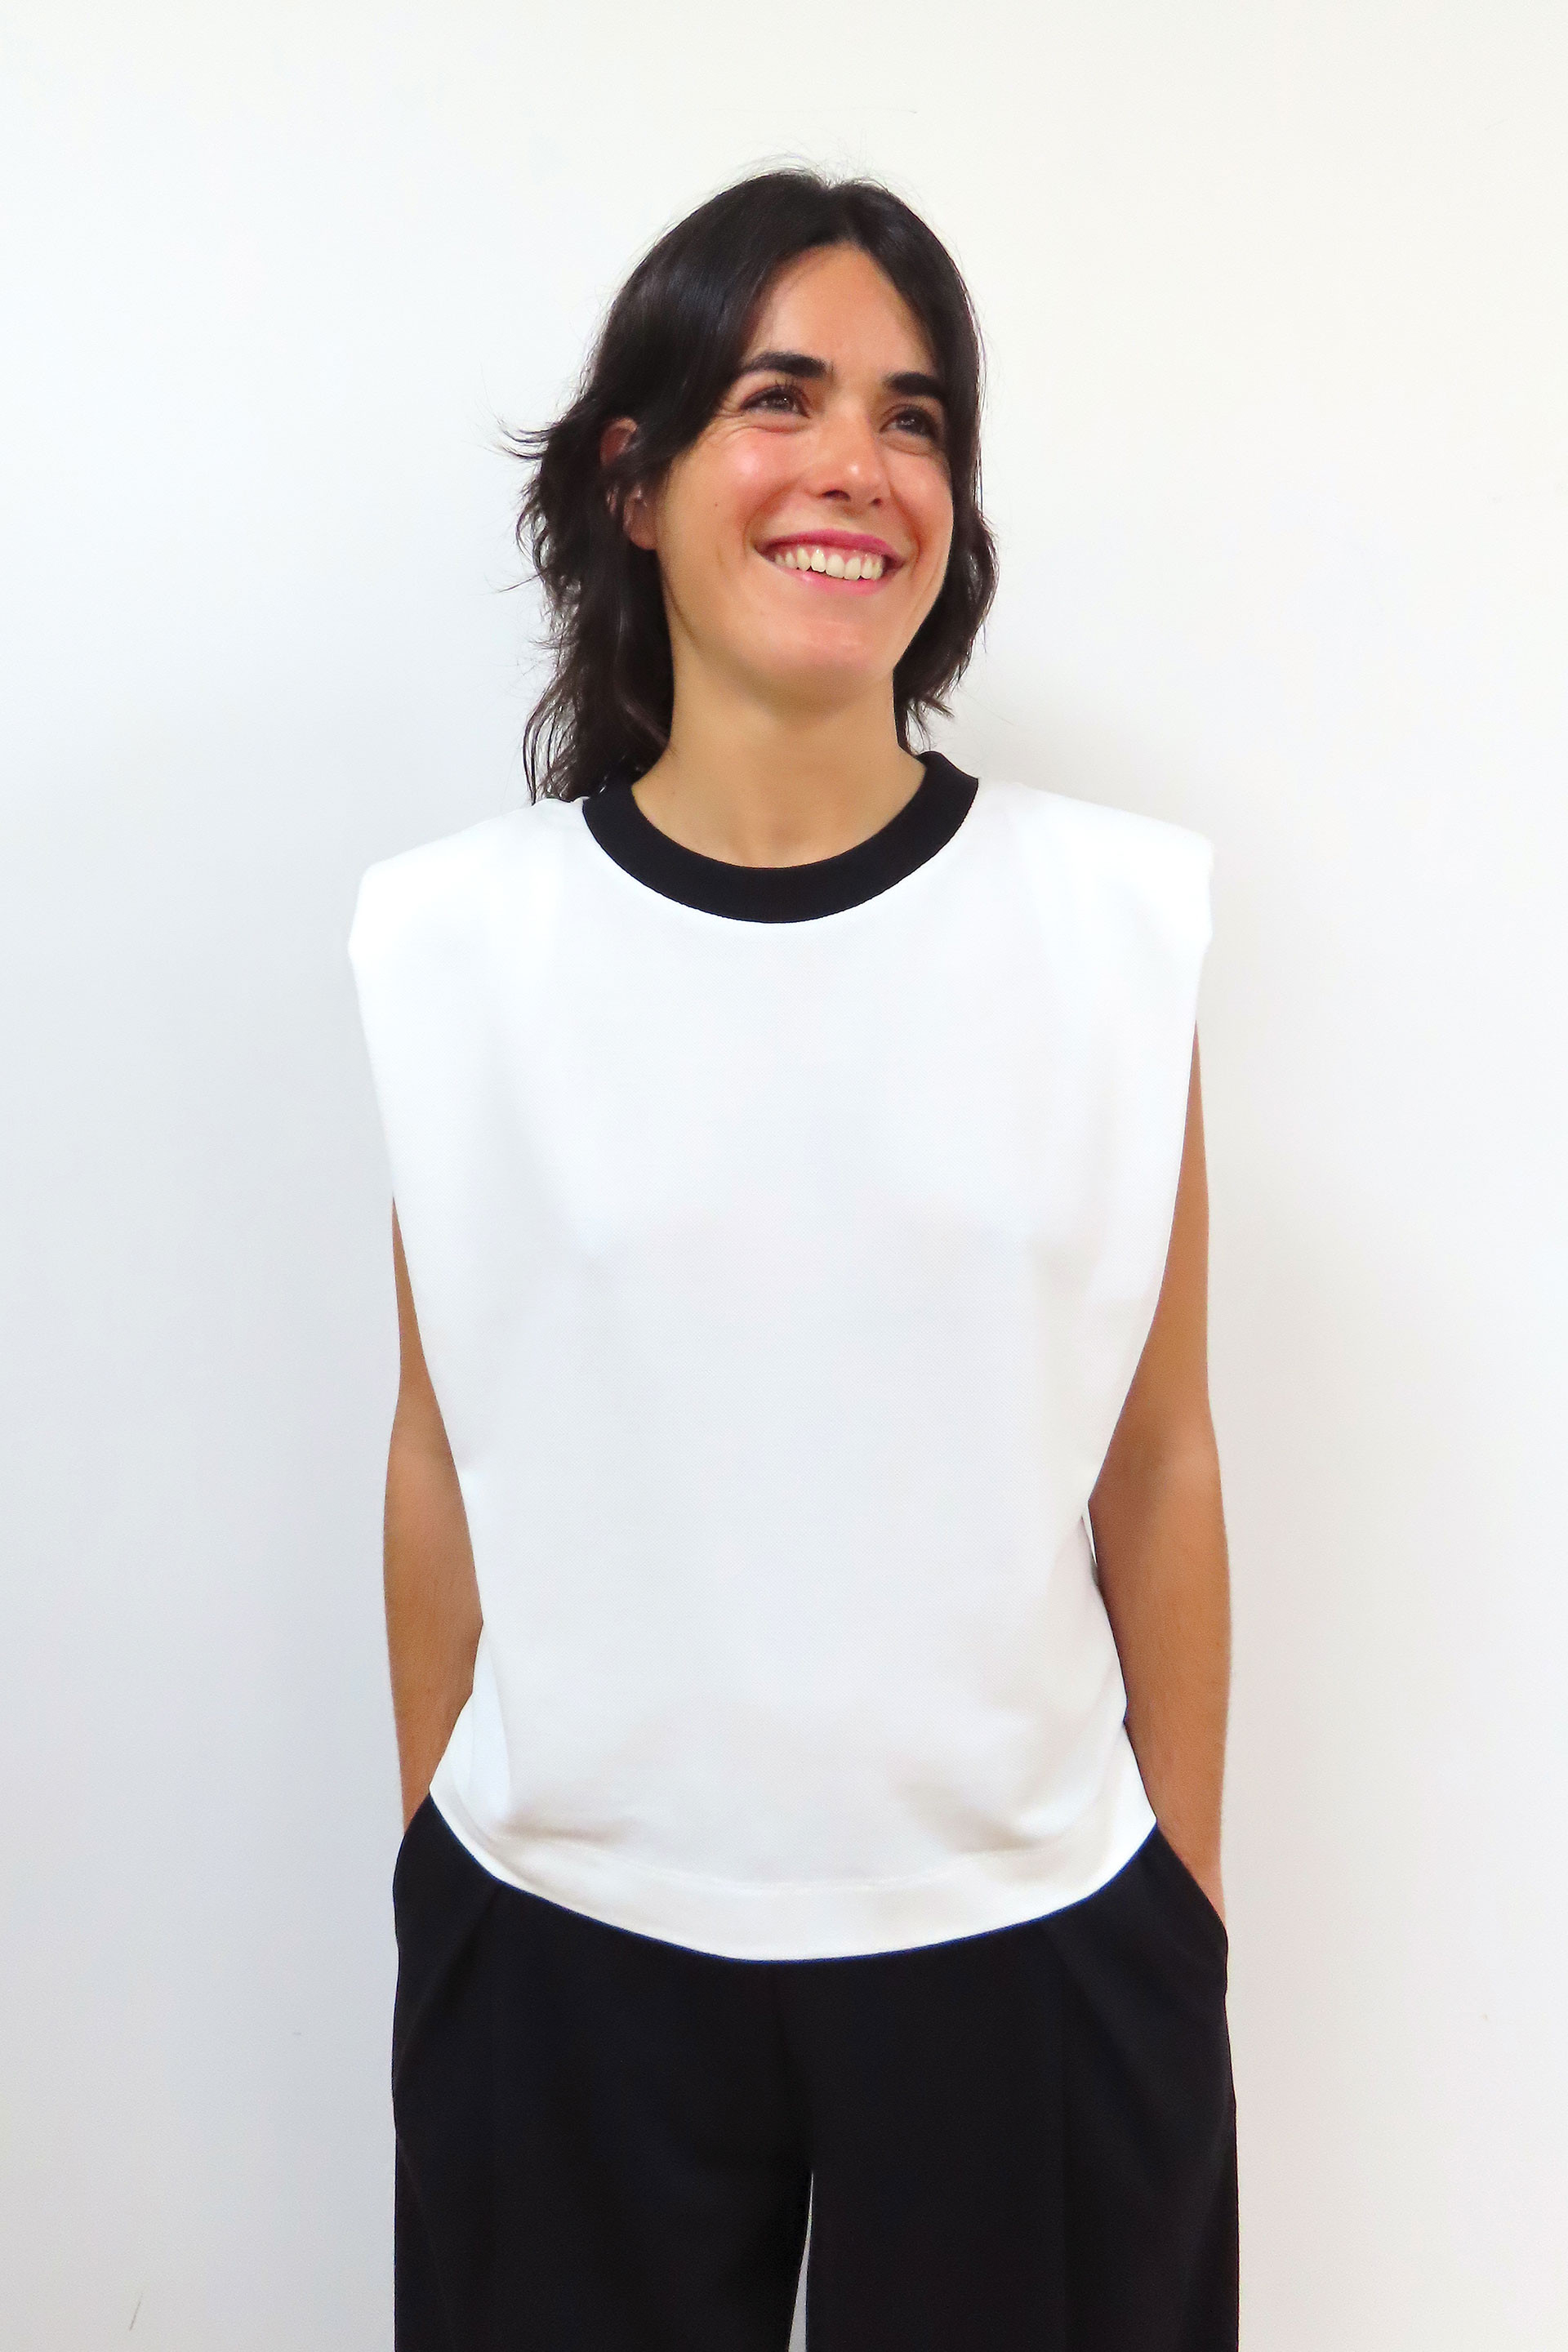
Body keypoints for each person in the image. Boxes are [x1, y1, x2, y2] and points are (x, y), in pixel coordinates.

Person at [349, 167, 1236, 2351]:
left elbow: (1162, 1464)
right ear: (633, 482)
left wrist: (1180, 1910)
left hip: (1031, 1939)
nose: (860, 464)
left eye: (915, 418)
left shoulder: (1112, 929)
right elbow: (444, 1455)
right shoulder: (455, 945)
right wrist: (451, 1861)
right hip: (563, 1943)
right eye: (784, 397)